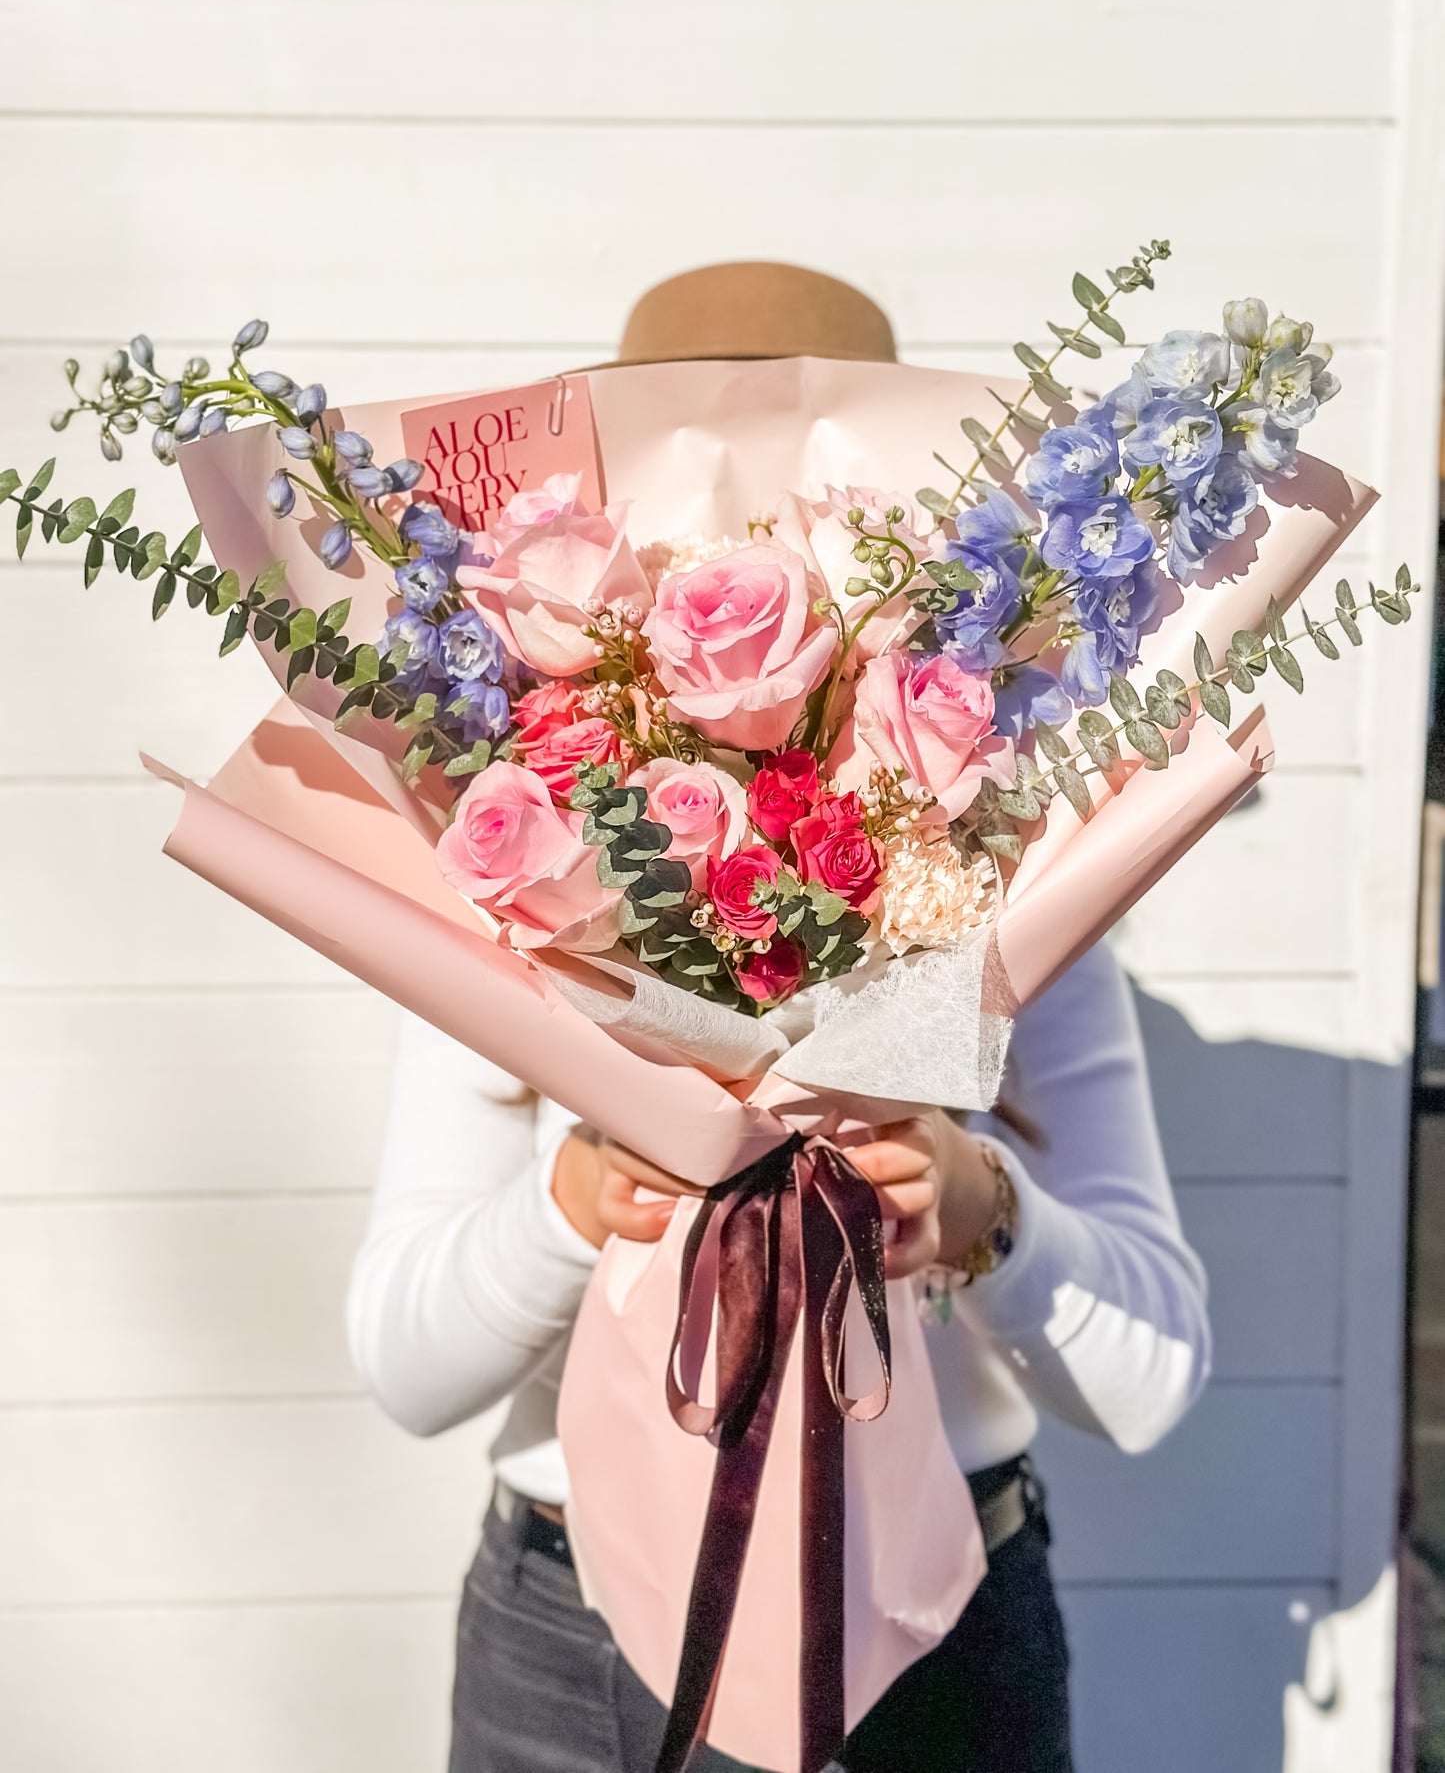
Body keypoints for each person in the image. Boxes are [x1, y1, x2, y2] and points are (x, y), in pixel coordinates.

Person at [346, 266, 1212, 1773]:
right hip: (573, 1636)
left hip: (939, 1631)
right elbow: (404, 1367)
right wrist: (572, 1204)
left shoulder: (1014, 917)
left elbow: (1153, 1376)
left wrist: (981, 1209)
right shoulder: (512, 893)